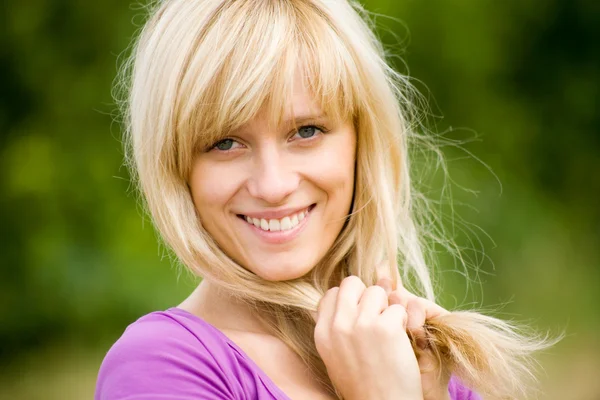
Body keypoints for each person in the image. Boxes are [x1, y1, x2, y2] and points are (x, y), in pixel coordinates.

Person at [95, 0, 549, 399]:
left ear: (360, 142)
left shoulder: (425, 364)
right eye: (225, 143)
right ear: (177, 167)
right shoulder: (161, 367)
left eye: (306, 131)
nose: (272, 185)